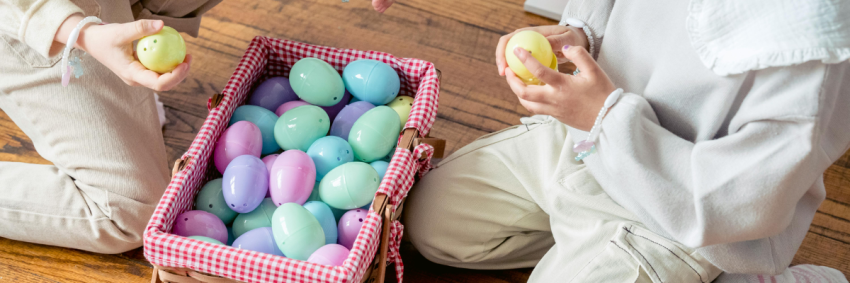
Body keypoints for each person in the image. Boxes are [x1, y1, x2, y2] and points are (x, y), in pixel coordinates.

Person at [404, 0, 850, 282]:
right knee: (427, 224)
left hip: (673, 220)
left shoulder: (810, 51)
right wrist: (581, 34)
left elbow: (734, 203)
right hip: (581, 144)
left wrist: (605, 118)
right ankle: (580, 241)